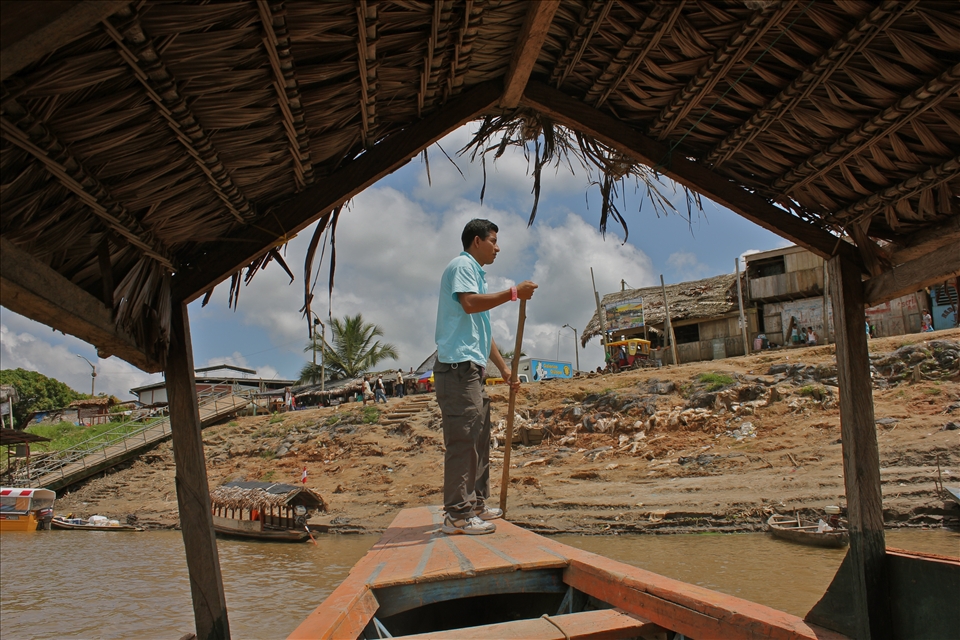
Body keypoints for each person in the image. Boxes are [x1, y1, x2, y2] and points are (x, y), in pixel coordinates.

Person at [434, 218, 537, 535]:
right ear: (476, 241)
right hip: (457, 368)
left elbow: (483, 331)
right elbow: (468, 305)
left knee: (477, 439)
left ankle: (475, 504)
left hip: (473, 368)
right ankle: (457, 514)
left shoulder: (475, 275)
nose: (497, 247)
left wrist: (504, 369)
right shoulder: (462, 266)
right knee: (463, 440)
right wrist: (513, 294)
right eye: (493, 240)